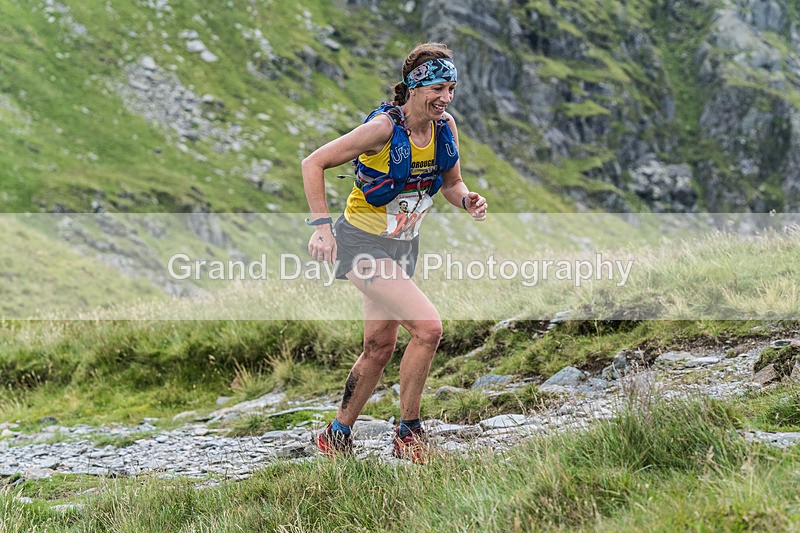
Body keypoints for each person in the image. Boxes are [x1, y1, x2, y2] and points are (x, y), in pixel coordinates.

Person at [301, 42, 487, 464]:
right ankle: (409, 433)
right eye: (438, 88)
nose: (446, 98)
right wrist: (321, 229)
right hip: (360, 244)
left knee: (379, 347)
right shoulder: (383, 129)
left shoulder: (445, 127)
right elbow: (313, 163)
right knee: (428, 328)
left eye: (451, 89)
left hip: (403, 245)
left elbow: (451, 183)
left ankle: (335, 437)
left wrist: (467, 200)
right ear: (414, 87)